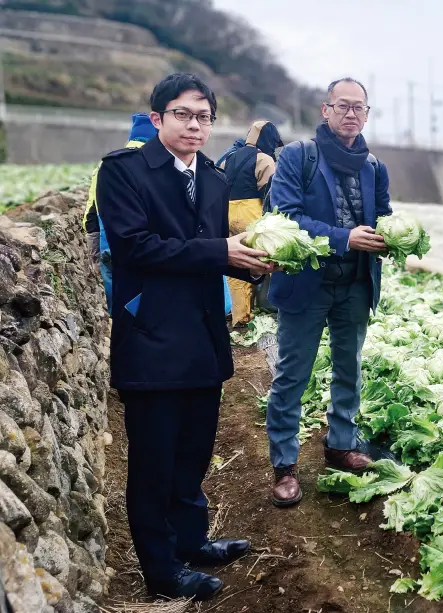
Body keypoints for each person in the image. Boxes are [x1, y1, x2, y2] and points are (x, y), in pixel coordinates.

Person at [97, 73, 274, 601]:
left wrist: (255, 267)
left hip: (202, 334)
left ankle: (192, 542)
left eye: (204, 117)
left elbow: (210, 253)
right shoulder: (124, 172)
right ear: (157, 119)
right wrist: (222, 252)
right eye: (182, 114)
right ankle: (161, 569)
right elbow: (135, 247)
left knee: (194, 451)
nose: (194, 125)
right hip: (151, 334)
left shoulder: (215, 179)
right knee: (154, 460)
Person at [265, 77, 392, 508]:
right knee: (292, 374)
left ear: (367, 114)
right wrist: (345, 238)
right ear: (326, 110)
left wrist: (392, 236)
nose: (351, 113)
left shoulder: (374, 166)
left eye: (360, 107)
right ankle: (284, 465)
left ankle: (341, 444)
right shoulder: (298, 157)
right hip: (307, 284)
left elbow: (384, 214)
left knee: (348, 369)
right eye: (343, 106)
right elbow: (285, 215)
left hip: (355, 284)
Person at [84, 113, 157, 314]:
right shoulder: (154, 163)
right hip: (140, 239)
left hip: (104, 234)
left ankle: (118, 321)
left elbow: (93, 203)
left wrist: (92, 232)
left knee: (113, 282)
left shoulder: (107, 162)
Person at [220, 120, 284, 326]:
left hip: (227, 212)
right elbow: (271, 193)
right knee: (260, 261)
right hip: (251, 213)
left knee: (236, 262)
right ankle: (268, 306)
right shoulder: (264, 159)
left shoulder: (229, 157)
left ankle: (240, 316)